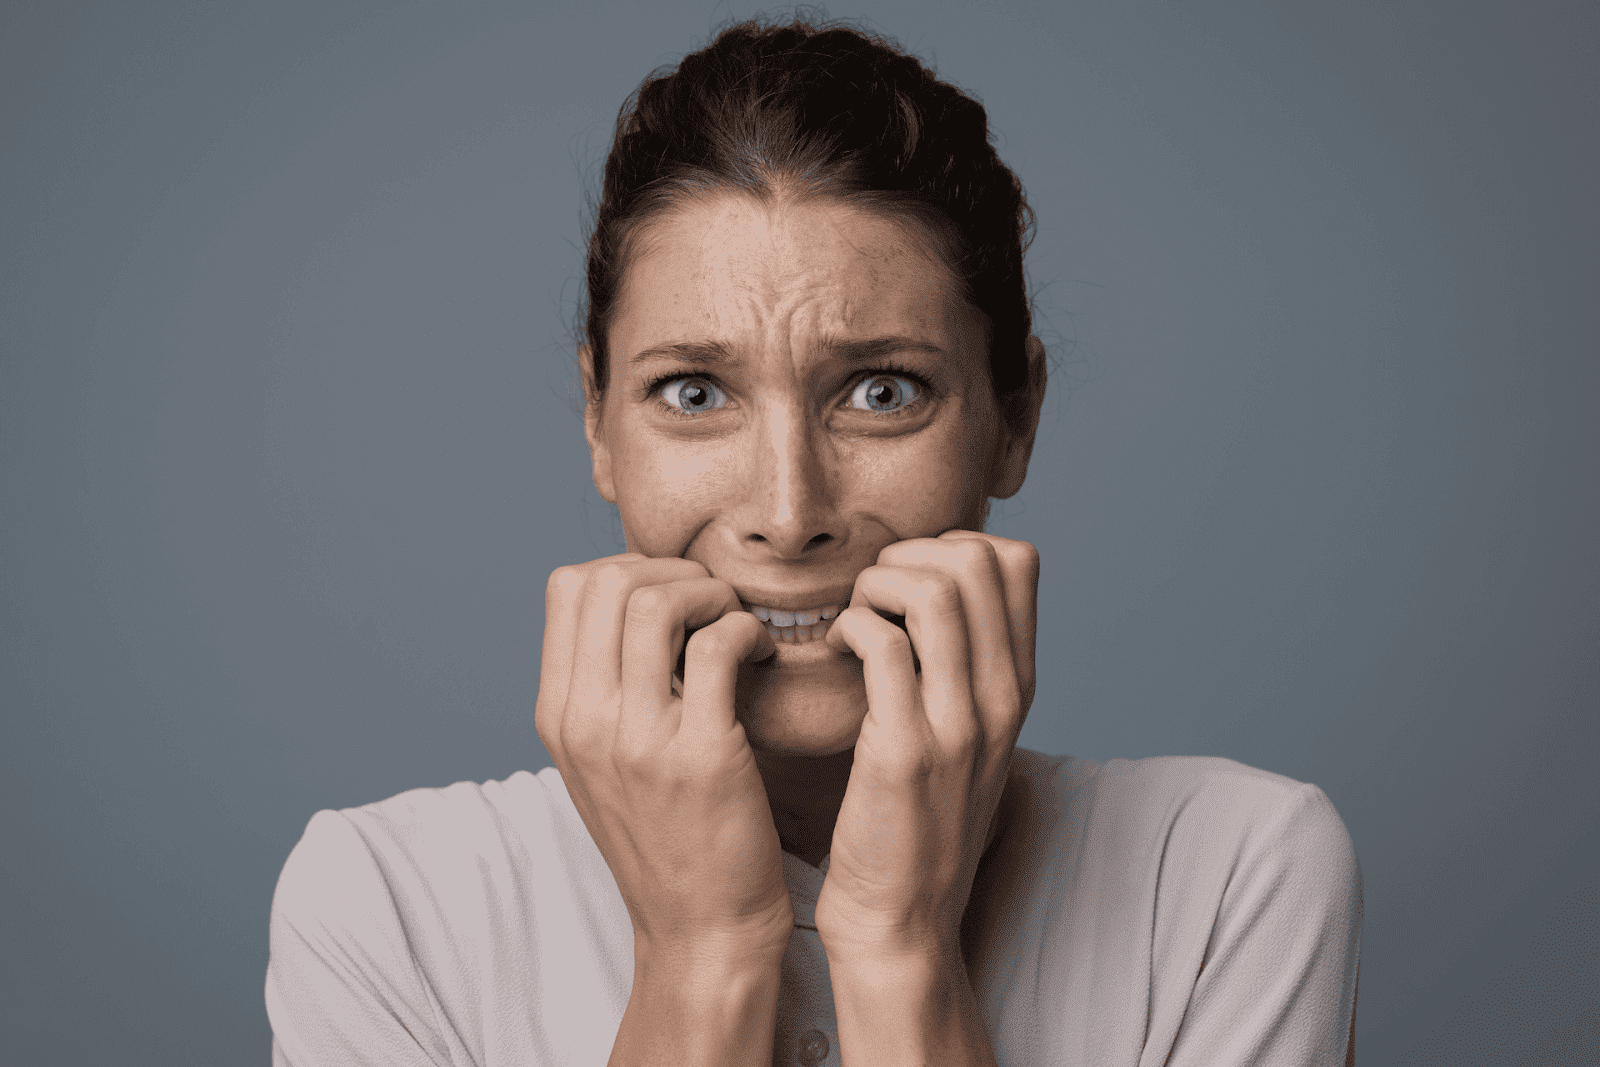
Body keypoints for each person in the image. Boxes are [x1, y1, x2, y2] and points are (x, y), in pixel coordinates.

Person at [265, 16, 1361, 1067]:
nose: (788, 516)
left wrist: (899, 945)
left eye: (882, 392)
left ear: (1013, 417)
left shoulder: (1231, 871)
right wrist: (701, 953)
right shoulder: (383, 906)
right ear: (599, 421)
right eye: (693, 392)